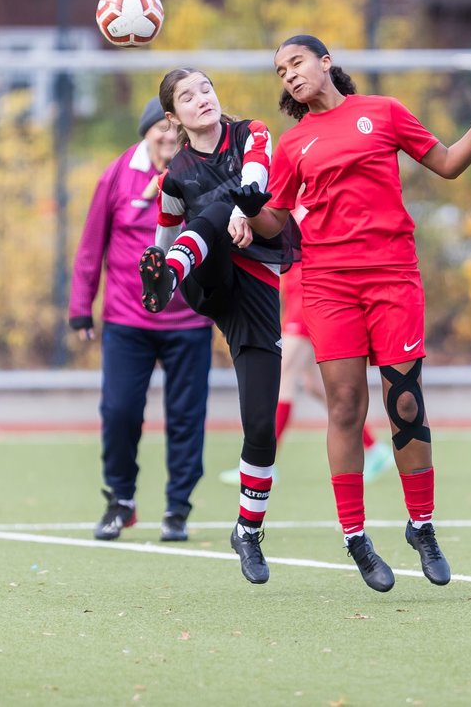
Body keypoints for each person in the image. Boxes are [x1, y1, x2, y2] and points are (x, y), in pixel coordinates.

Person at [231, 34, 471, 593]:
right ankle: (356, 537)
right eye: (280, 71)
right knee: (345, 404)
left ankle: (422, 527)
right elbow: (274, 222)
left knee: (406, 401)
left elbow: (446, 165)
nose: (289, 75)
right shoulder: (293, 145)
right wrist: (254, 210)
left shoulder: (383, 113)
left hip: (393, 276)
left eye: (296, 63)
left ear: (325, 62)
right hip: (327, 283)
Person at [138, 67, 300, 585]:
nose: (201, 99)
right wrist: (163, 272)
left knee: (260, 425)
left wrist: (241, 213)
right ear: (174, 116)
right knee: (204, 223)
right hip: (205, 277)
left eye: (205, 88)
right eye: (187, 96)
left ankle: (248, 532)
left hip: (254, 289)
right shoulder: (174, 177)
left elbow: (255, 182)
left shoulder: (252, 132)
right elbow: (160, 246)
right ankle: (174, 280)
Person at [68, 97, 215, 545]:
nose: (169, 137)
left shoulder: (199, 172)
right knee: (119, 411)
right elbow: (92, 245)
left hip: (188, 320)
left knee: (187, 418)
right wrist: (81, 308)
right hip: (127, 321)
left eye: (176, 130)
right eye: (161, 129)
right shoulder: (116, 175)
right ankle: (121, 500)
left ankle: (178, 509)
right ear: (146, 131)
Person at [217, 206, 394, 486]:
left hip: (308, 294)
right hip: (297, 293)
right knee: (312, 383)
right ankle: (375, 448)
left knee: (284, 376)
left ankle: (264, 462)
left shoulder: (313, 198)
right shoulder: (286, 197)